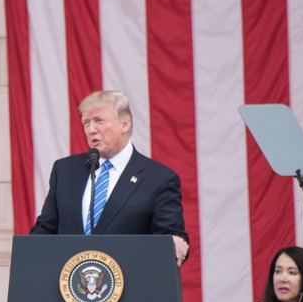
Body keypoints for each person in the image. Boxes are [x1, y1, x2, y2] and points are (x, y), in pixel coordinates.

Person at [29, 90, 190, 265]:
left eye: (99, 121)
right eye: (86, 123)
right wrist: (25, 255)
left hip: (129, 284)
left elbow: (168, 237)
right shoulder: (65, 171)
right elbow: (46, 228)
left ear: (125, 124)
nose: (91, 130)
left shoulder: (159, 179)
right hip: (70, 284)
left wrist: (174, 241)